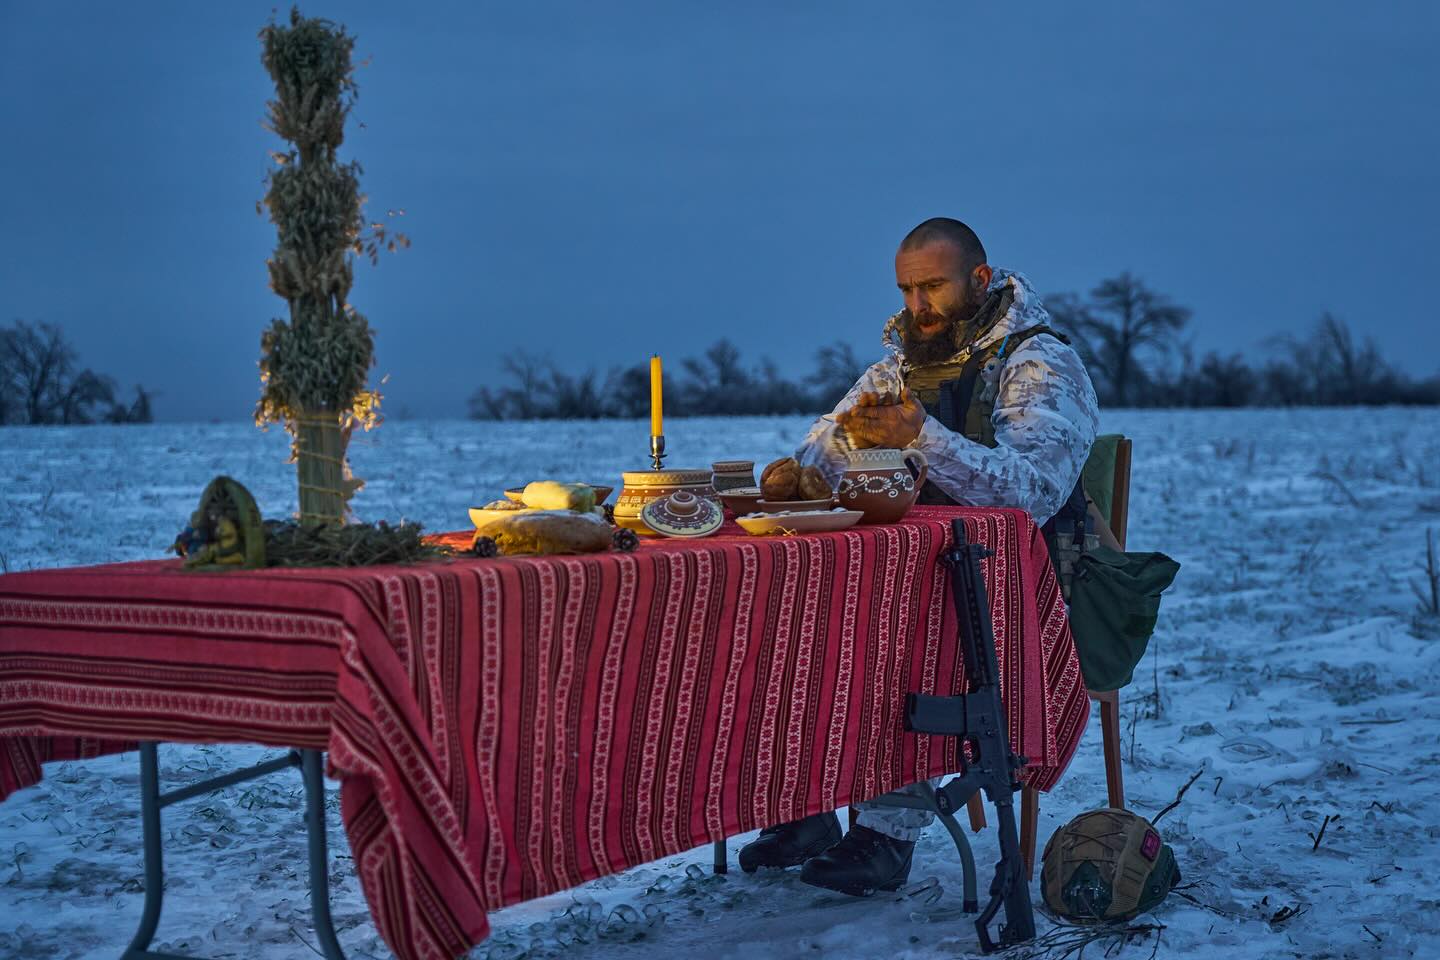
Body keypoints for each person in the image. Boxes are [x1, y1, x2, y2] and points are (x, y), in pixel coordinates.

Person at [738, 217, 1100, 896]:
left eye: (932, 287)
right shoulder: (897, 366)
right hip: (915, 569)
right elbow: (820, 455)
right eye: (907, 290)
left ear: (981, 280)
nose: (916, 306)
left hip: (1025, 583)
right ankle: (804, 806)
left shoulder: (1039, 362)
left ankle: (886, 833)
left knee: (893, 633)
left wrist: (921, 437)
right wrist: (807, 464)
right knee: (786, 611)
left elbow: (1035, 494)